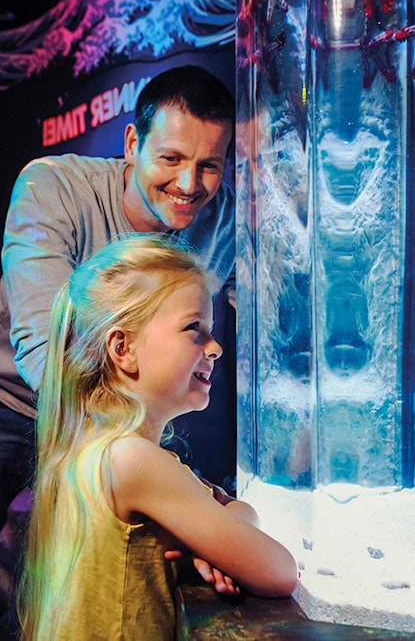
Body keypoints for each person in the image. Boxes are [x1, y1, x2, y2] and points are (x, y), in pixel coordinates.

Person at [0, 65, 237, 641]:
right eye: (170, 159)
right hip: (2, 395)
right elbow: (43, 342)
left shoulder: (223, 220)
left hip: (111, 424)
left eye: (209, 165)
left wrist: (210, 517)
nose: (191, 184)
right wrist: (165, 479)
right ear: (132, 144)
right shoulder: (52, 185)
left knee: (51, 568)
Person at [18, 234, 297, 640]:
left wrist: (217, 531)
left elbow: (237, 510)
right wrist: (222, 531)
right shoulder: (133, 461)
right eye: (194, 328)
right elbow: (279, 571)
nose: (215, 347)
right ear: (123, 348)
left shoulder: (95, 449)